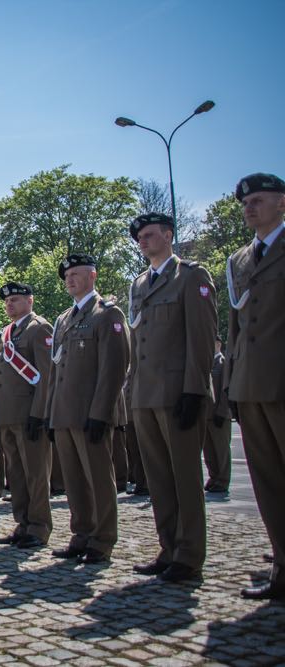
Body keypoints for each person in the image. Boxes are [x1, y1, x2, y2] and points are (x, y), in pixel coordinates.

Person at [126, 213, 217, 583]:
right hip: (146, 395)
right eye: (139, 238)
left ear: (168, 235)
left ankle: (190, 554)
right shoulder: (140, 284)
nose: (143, 242)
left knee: (184, 477)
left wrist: (195, 389)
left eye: (149, 235)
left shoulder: (191, 276)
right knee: (160, 479)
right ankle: (168, 548)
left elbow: (202, 337)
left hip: (177, 392)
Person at [46, 254, 129, 565]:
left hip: (90, 413)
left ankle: (102, 539)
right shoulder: (64, 319)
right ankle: (81, 533)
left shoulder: (107, 314)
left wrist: (101, 412)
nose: (70, 279)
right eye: (67, 275)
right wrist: (51, 414)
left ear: (93, 276)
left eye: (76, 273)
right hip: (65, 413)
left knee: (98, 478)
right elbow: (56, 370)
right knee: (74, 480)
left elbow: (114, 368)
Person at [224, 172, 285, 600]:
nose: (250, 208)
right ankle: (282, 565)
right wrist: (231, 384)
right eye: (246, 203)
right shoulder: (239, 261)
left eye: (259, 201)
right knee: (268, 482)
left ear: (281, 203)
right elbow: (235, 331)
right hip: (251, 385)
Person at [0, 282, 54, 550]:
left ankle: (39, 526)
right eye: (7, 302)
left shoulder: (39, 328)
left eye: (15, 300)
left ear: (30, 301)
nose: (10, 305)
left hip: (29, 414)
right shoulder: (5, 333)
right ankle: (23, 522)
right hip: (7, 415)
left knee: (35, 474)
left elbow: (46, 376)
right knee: (15, 474)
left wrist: (39, 413)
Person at [202, 338, 232, 494]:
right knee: (209, 451)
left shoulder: (222, 362)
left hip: (219, 414)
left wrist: (222, 412)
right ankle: (214, 477)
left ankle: (223, 480)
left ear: (218, 344)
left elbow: (226, 390)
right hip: (206, 415)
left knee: (221, 450)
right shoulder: (207, 363)